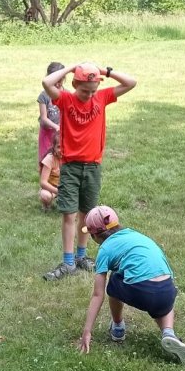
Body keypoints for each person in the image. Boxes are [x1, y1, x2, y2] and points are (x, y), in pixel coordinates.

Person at [41, 62, 137, 280]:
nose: (89, 95)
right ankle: (68, 262)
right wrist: (71, 68)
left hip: (93, 166)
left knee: (87, 213)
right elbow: (47, 82)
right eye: (85, 90)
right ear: (75, 84)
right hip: (70, 166)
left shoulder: (101, 97)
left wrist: (105, 72)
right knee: (69, 214)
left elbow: (131, 83)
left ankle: (81, 256)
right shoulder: (65, 99)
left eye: (93, 90)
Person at [76, 206, 185, 365]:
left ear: (94, 235)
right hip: (167, 289)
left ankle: (118, 328)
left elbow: (98, 295)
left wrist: (87, 331)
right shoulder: (134, 235)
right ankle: (169, 333)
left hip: (143, 291)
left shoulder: (105, 249)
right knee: (159, 298)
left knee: (114, 280)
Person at [37, 61, 64, 162]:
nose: (57, 83)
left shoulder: (66, 94)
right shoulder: (44, 96)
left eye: (60, 80)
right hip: (47, 133)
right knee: (46, 159)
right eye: (54, 81)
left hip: (61, 133)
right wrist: (56, 127)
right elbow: (44, 118)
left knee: (60, 158)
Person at [38, 134, 61, 210]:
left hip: (64, 188)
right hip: (50, 188)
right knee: (46, 196)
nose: (61, 150)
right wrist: (58, 191)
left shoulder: (69, 158)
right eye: (59, 147)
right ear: (54, 147)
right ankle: (46, 205)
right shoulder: (49, 159)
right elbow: (43, 182)